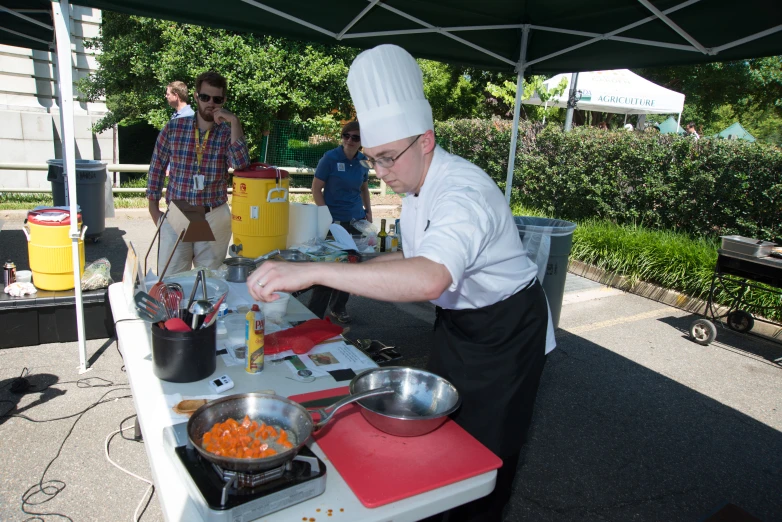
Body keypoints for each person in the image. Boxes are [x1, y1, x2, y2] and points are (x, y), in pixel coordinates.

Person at [247, 44, 554, 521]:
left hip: (506, 330)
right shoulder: (415, 183)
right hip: (460, 322)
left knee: (490, 451)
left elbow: (429, 277)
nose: (379, 173)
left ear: (426, 140)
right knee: (443, 429)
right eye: (372, 160)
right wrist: (334, 258)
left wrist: (311, 272)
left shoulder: (463, 191)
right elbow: (411, 258)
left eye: (387, 159)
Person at [147, 71, 250, 275]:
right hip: (178, 211)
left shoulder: (227, 132)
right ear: (196, 97)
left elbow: (240, 164)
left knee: (208, 280)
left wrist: (235, 122)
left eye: (217, 99)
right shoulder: (174, 127)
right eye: (205, 97)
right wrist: (153, 209)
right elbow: (157, 167)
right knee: (171, 279)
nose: (210, 103)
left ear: (223, 100)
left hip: (213, 213)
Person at [308, 121, 372, 323]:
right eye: (347, 136)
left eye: (356, 137)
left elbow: (364, 188)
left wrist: (368, 212)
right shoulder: (330, 158)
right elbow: (316, 189)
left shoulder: (362, 161)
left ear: (362, 141)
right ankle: (314, 313)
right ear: (342, 137)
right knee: (328, 267)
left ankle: (338, 307)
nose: (350, 141)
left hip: (355, 219)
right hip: (332, 221)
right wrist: (325, 215)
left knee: (351, 266)